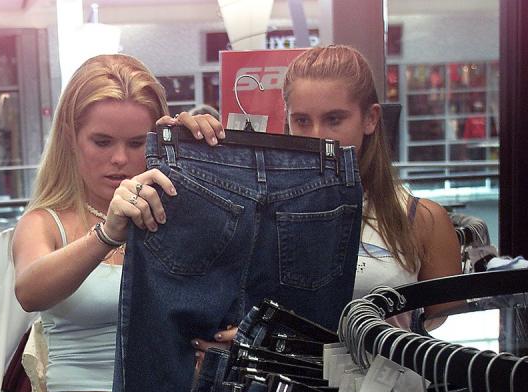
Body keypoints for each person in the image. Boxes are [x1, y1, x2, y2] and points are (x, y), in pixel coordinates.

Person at [11, 54, 219, 392]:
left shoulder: (177, 217)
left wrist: (201, 158)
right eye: (101, 141)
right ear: (72, 138)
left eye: (137, 142)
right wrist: (107, 233)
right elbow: (30, 289)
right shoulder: (48, 221)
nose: (120, 159)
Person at [190, 44, 462, 362]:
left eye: (334, 119)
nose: (318, 137)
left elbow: (443, 338)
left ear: (371, 119)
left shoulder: (422, 220)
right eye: (302, 121)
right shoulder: (257, 215)